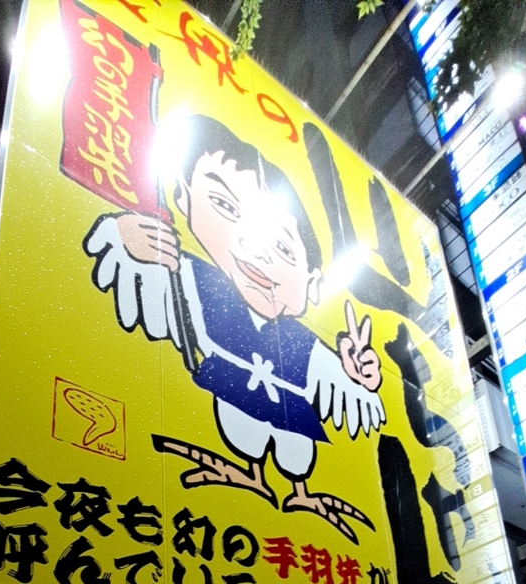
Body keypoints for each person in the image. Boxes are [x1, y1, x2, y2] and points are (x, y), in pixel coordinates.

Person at [84, 115, 386, 542]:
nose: (256, 252)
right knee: (243, 427)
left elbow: (347, 397)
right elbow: (149, 280)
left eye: (284, 249)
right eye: (224, 206)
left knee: (295, 446)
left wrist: (361, 381)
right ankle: (252, 474)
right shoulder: (198, 282)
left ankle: (300, 491)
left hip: (292, 413)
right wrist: (124, 235)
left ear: (312, 282)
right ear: (184, 198)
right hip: (234, 392)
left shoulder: (304, 342)